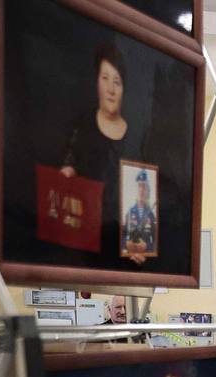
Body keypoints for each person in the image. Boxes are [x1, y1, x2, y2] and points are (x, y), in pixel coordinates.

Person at [60, 43, 146, 265]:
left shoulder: (135, 138)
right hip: (83, 245)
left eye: (117, 81)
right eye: (105, 78)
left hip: (124, 250)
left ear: (124, 88)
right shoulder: (83, 126)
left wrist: (140, 239)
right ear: (97, 81)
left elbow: (142, 194)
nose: (111, 88)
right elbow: (67, 173)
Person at [121, 169, 156, 258]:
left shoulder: (151, 215)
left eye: (144, 186)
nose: (141, 190)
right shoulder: (129, 213)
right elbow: (121, 237)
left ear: (147, 191)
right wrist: (126, 244)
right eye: (139, 186)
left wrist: (147, 247)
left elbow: (156, 242)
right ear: (136, 190)